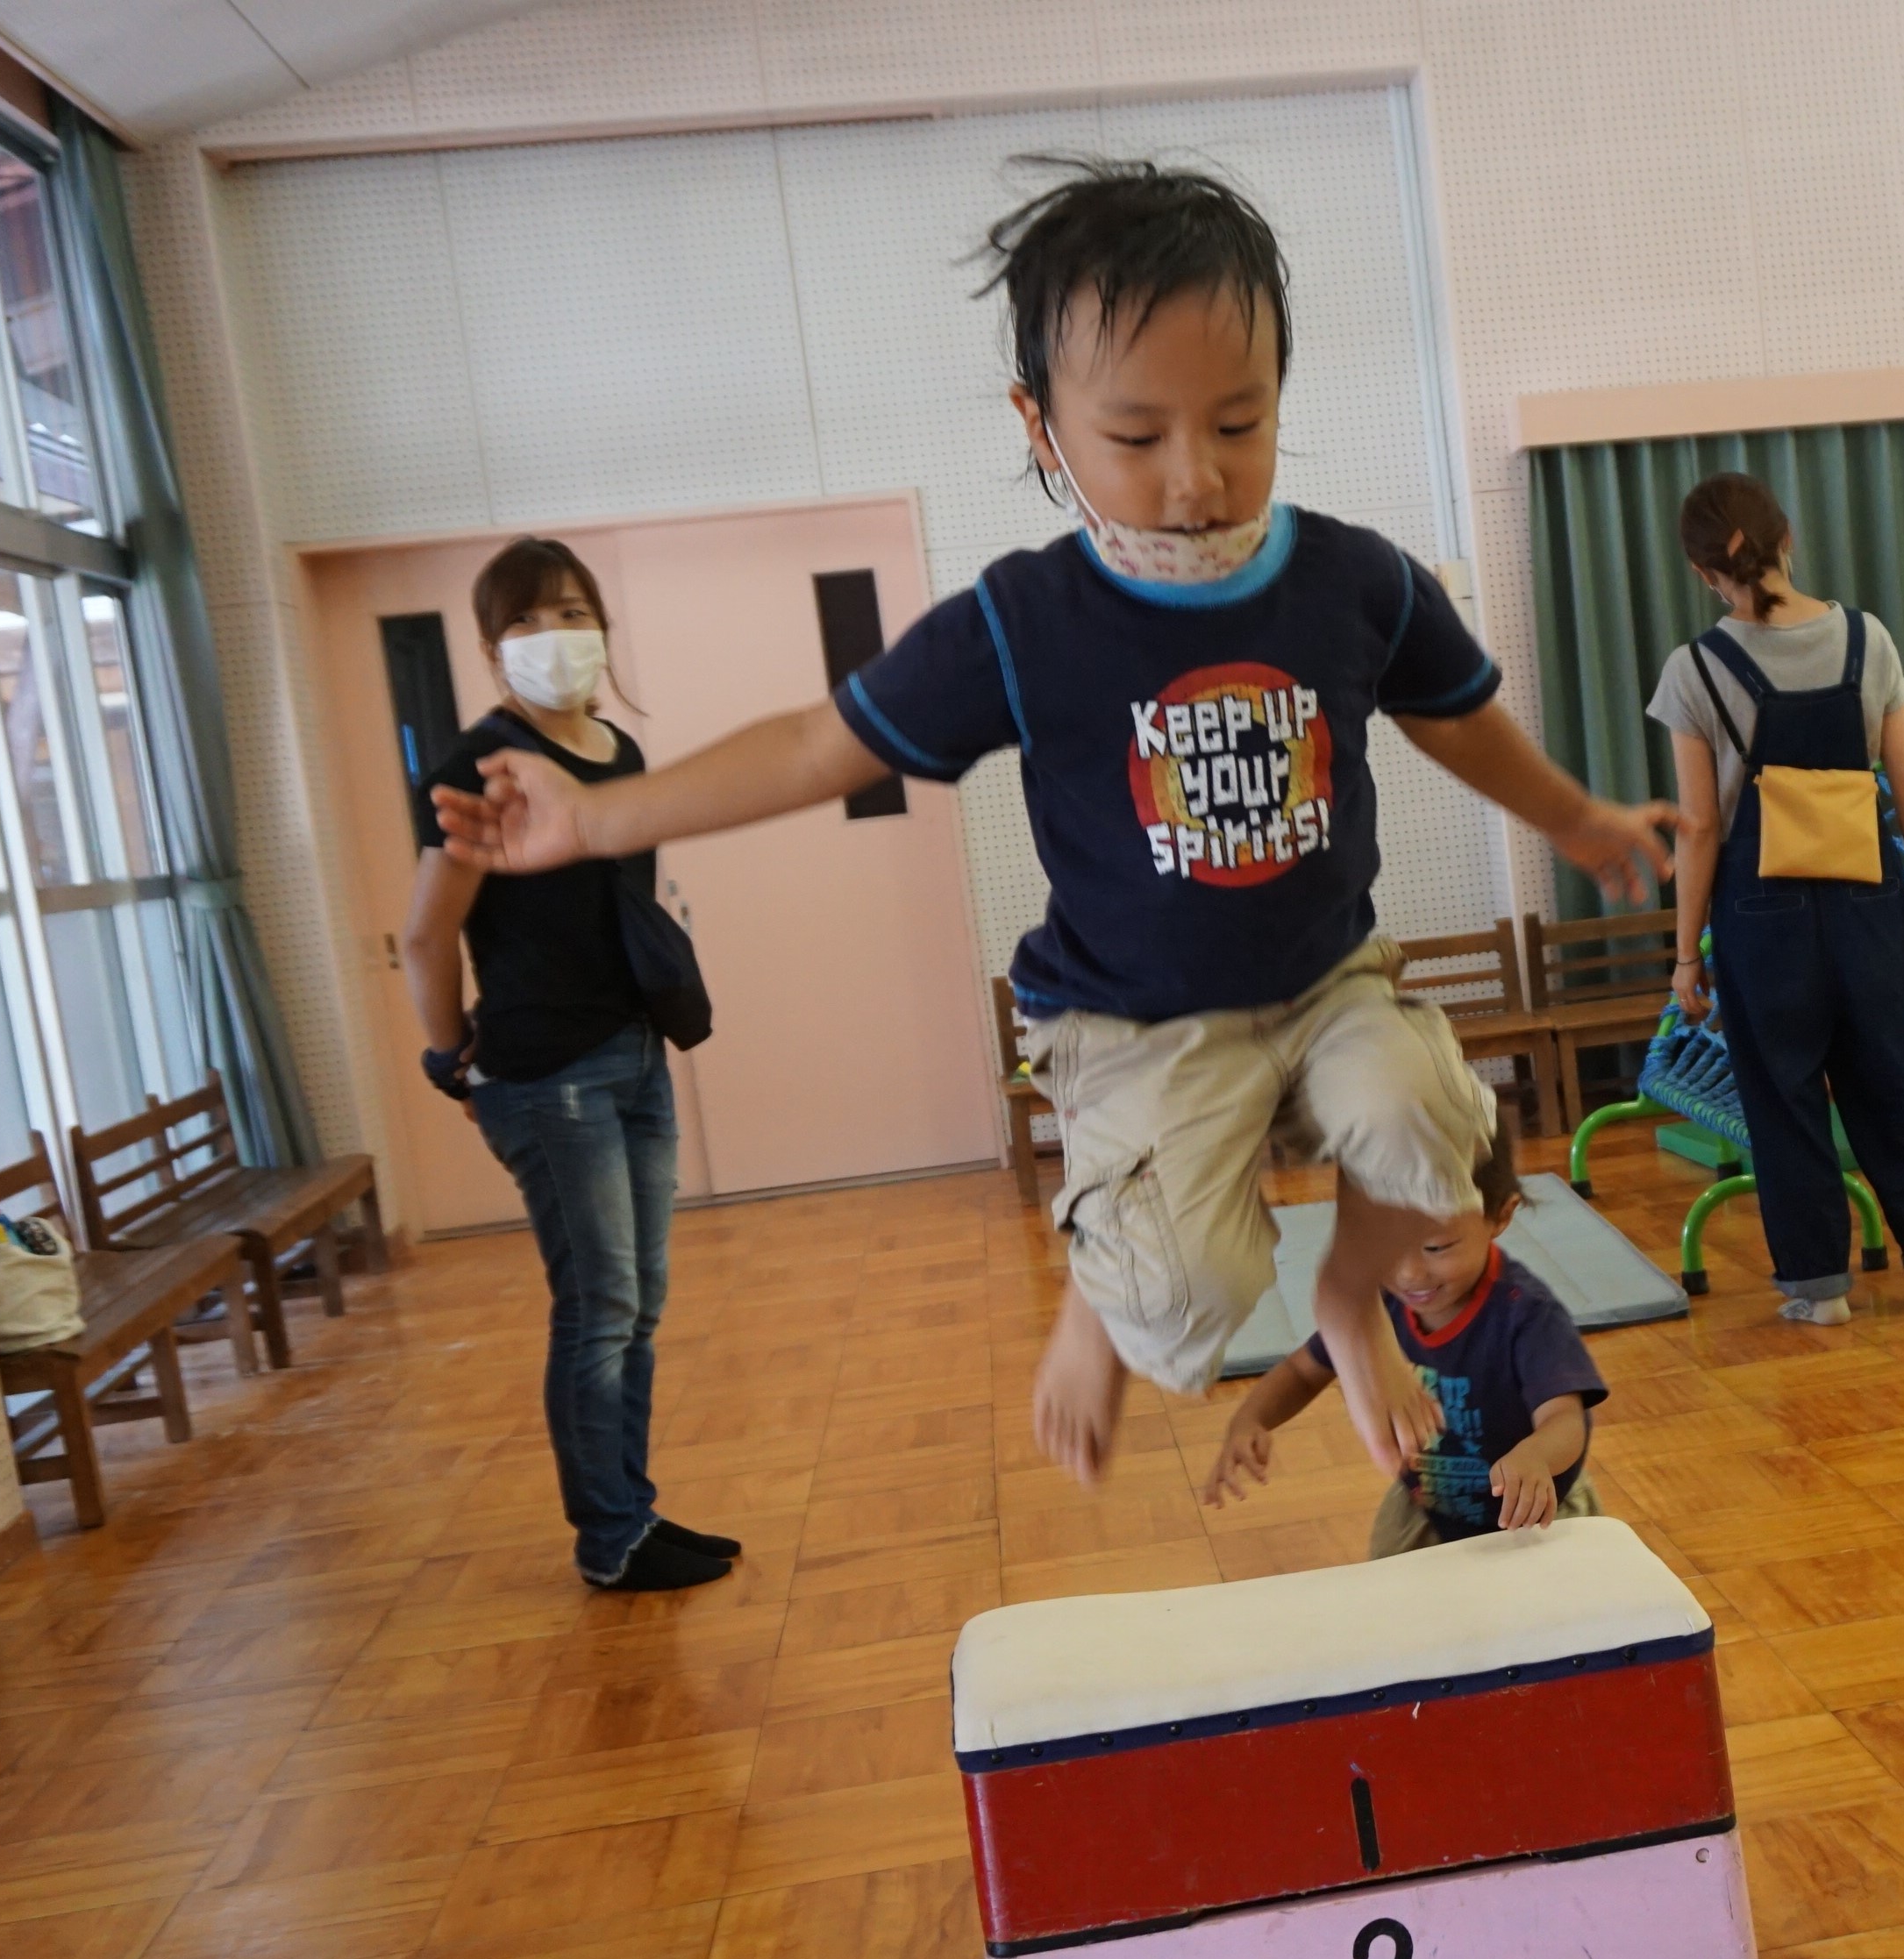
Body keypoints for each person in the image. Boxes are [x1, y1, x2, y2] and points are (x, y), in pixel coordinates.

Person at [433, 160, 1666, 1486]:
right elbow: (813, 741)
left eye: (1240, 423)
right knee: (1182, 1297)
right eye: (1136, 438)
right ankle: (1101, 1290)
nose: (1196, 478)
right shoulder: (1025, 624)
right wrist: (600, 814)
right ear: (1043, 425)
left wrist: (1581, 816)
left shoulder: (1354, 578)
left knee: (1433, 1126)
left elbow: (1456, 717)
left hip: (1326, 983)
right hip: (1136, 1023)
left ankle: (1346, 1304)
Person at [403, 537, 731, 1592]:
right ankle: (608, 1540)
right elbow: (425, 935)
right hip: (549, 1073)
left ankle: (630, 1512)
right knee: (595, 1309)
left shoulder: (617, 755)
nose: (556, 638)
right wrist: (448, 1058)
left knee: (635, 1304)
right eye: (528, 621)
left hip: (634, 1053)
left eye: (572, 613)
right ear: (494, 646)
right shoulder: (477, 767)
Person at [1649, 474, 1904, 1328]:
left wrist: (1685, 953)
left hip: (1757, 911)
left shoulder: (1693, 669)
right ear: (1789, 538)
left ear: (1702, 573)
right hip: (1864, 891)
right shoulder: (1865, 639)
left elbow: (1698, 828)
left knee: (1783, 1091)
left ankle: (1818, 1288)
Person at [1201, 1114, 1603, 1555]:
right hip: (1428, 1506)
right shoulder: (1379, 1305)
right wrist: (1250, 1419)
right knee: (1394, 1599)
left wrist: (1536, 1457)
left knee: (1557, 1615)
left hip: (1536, 1509)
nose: (1409, 1272)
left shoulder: (1525, 1314)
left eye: (1437, 1247)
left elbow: (1564, 1418)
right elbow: (1304, 1370)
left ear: (1500, 1216)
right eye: (1387, 1244)